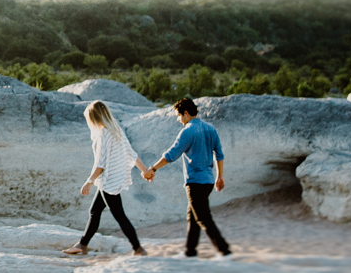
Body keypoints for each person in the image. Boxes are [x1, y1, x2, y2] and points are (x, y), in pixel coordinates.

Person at [144, 97, 233, 257]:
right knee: (193, 216)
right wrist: (220, 176)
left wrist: (153, 169)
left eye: (179, 116)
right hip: (208, 181)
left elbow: (171, 154)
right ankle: (189, 252)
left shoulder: (188, 131)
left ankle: (225, 251)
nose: (179, 120)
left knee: (203, 218)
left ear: (185, 113)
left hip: (195, 182)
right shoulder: (210, 128)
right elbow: (219, 154)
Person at [63, 101, 150, 257]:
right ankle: (82, 245)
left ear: (94, 118)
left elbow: (100, 164)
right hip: (113, 180)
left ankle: (138, 248)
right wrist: (145, 171)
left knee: (119, 216)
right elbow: (132, 154)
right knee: (94, 212)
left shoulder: (104, 133)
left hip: (108, 182)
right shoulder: (116, 130)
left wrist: (89, 182)